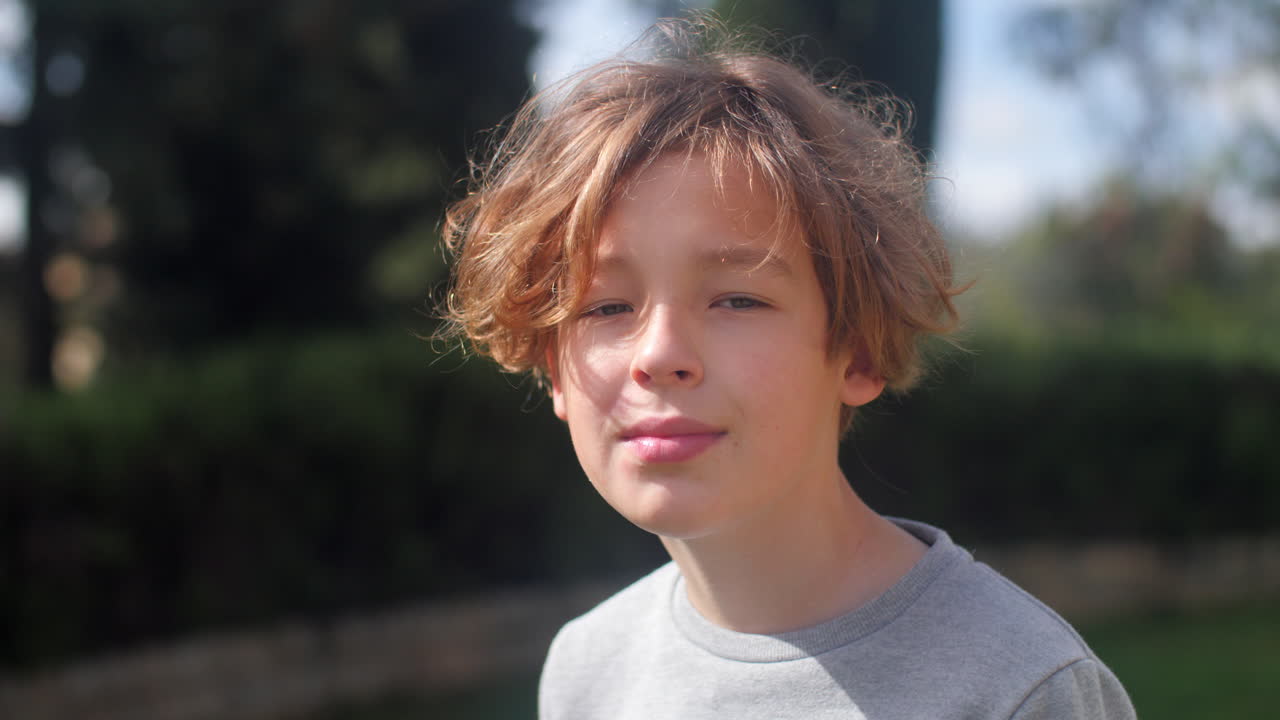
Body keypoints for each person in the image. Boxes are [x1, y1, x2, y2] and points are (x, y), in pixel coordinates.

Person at [440, 16, 1136, 720]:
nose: (659, 354)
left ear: (858, 349)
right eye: (606, 307)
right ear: (555, 368)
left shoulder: (1020, 689)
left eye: (737, 299)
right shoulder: (586, 671)